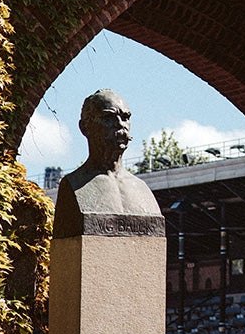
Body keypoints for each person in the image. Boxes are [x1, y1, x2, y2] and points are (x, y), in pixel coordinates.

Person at [52, 89, 162, 237]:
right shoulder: (73, 186)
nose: (120, 124)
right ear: (85, 127)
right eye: (108, 117)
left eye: (125, 118)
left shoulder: (143, 190)